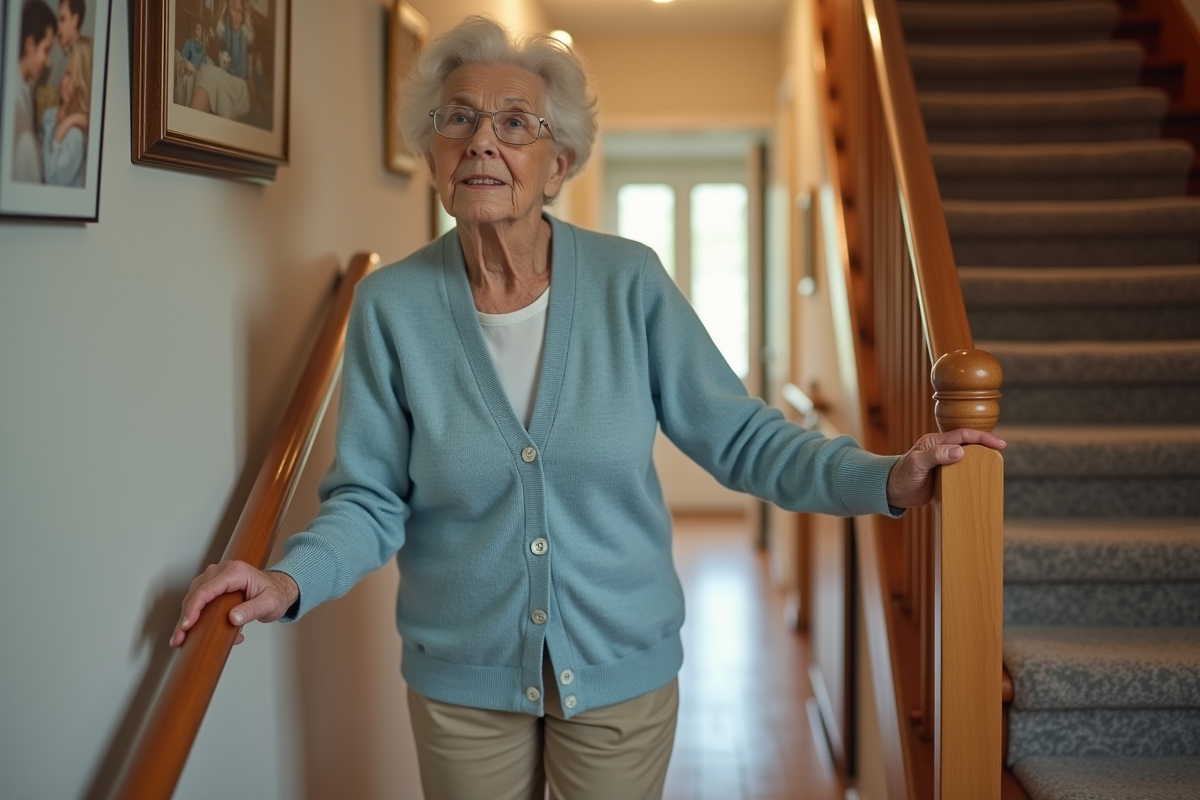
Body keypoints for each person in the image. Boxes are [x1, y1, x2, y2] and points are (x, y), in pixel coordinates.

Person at [171, 15, 1005, 800]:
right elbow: (369, 498)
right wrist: (286, 578)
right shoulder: (391, 307)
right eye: (457, 120)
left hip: (621, 669)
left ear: (558, 164)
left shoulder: (628, 282)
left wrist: (887, 479)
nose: (482, 141)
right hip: (462, 682)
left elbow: (743, 439)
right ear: (430, 154)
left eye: (514, 123)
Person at [13, 0, 56, 184]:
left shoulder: (25, 90)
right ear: (30, 45)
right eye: (46, 50)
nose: (48, 62)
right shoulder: (15, 104)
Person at [41, 36, 90, 187]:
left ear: (80, 83)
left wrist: (62, 129)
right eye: (64, 73)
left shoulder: (75, 135)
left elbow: (51, 179)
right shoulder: (50, 115)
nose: (63, 79)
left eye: (69, 74)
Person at [189, 0, 251, 119]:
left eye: (239, 11)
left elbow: (241, 71)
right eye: (233, 9)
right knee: (205, 69)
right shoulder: (225, 26)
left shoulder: (243, 34)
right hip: (226, 72)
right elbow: (219, 52)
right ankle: (194, 119)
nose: (236, 14)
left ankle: (193, 120)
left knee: (213, 77)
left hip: (238, 82)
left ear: (242, 14)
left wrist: (237, 30)